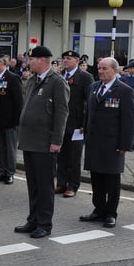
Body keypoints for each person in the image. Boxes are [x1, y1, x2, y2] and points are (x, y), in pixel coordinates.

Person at [14, 46, 69, 238]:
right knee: (33, 184)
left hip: (45, 142)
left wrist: (57, 141)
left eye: (32, 59)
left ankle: (45, 223)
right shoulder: (31, 81)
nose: (29, 63)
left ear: (42, 60)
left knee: (45, 186)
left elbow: (62, 113)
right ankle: (33, 220)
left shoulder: (57, 82)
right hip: (29, 140)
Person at [81, 57, 134, 228]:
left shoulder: (124, 91)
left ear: (114, 70)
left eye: (105, 68)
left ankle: (111, 213)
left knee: (111, 180)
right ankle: (98, 209)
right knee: (96, 178)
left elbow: (130, 120)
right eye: (99, 68)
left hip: (113, 144)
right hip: (94, 142)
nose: (101, 71)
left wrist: (125, 145)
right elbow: (89, 113)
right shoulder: (93, 87)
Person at [56, 50, 93, 197]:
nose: (65, 61)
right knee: (61, 155)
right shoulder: (59, 76)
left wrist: (85, 123)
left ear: (77, 61)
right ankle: (61, 183)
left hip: (77, 124)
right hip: (61, 123)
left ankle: (72, 185)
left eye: (69, 58)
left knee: (74, 156)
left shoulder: (85, 77)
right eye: (64, 58)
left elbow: (89, 102)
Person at [0, 53, 23, 185]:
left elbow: (18, 101)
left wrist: (16, 120)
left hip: (10, 121)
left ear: (3, 63)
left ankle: (10, 172)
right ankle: (2, 170)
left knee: (9, 148)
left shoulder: (12, 78)